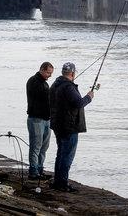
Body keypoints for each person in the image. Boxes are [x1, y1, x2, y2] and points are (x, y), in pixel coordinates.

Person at [49, 62, 94, 192]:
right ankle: (62, 183)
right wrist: (89, 97)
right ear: (73, 73)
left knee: (61, 154)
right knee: (67, 155)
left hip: (58, 124)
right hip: (69, 126)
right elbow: (78, 103)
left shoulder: (55, 84)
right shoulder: (68, 87)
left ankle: (58, 181)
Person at [26, 61, 54, 180]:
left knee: (44, 147)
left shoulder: (45, 84)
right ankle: (33, 171)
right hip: (36, 119)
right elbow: (44, 96)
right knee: (36, 146)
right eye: (48, 72)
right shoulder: (34, 81)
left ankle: (40, 169)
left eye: (51, 73)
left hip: (47, 119)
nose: (50, 75)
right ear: (41, 69)